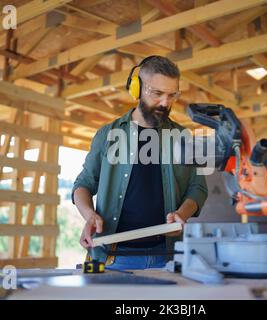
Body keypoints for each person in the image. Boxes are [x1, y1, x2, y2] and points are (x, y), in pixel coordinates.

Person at [72, 55, 208, 270]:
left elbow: (198, 188)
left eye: (172, 95)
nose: (165, 103)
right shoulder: (107, 134)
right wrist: (89, 216)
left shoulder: (187, 137)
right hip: (113, 258)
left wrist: (181, 214)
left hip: (168, 257)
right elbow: (83, 185)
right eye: (157, 93)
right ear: (137, 89)